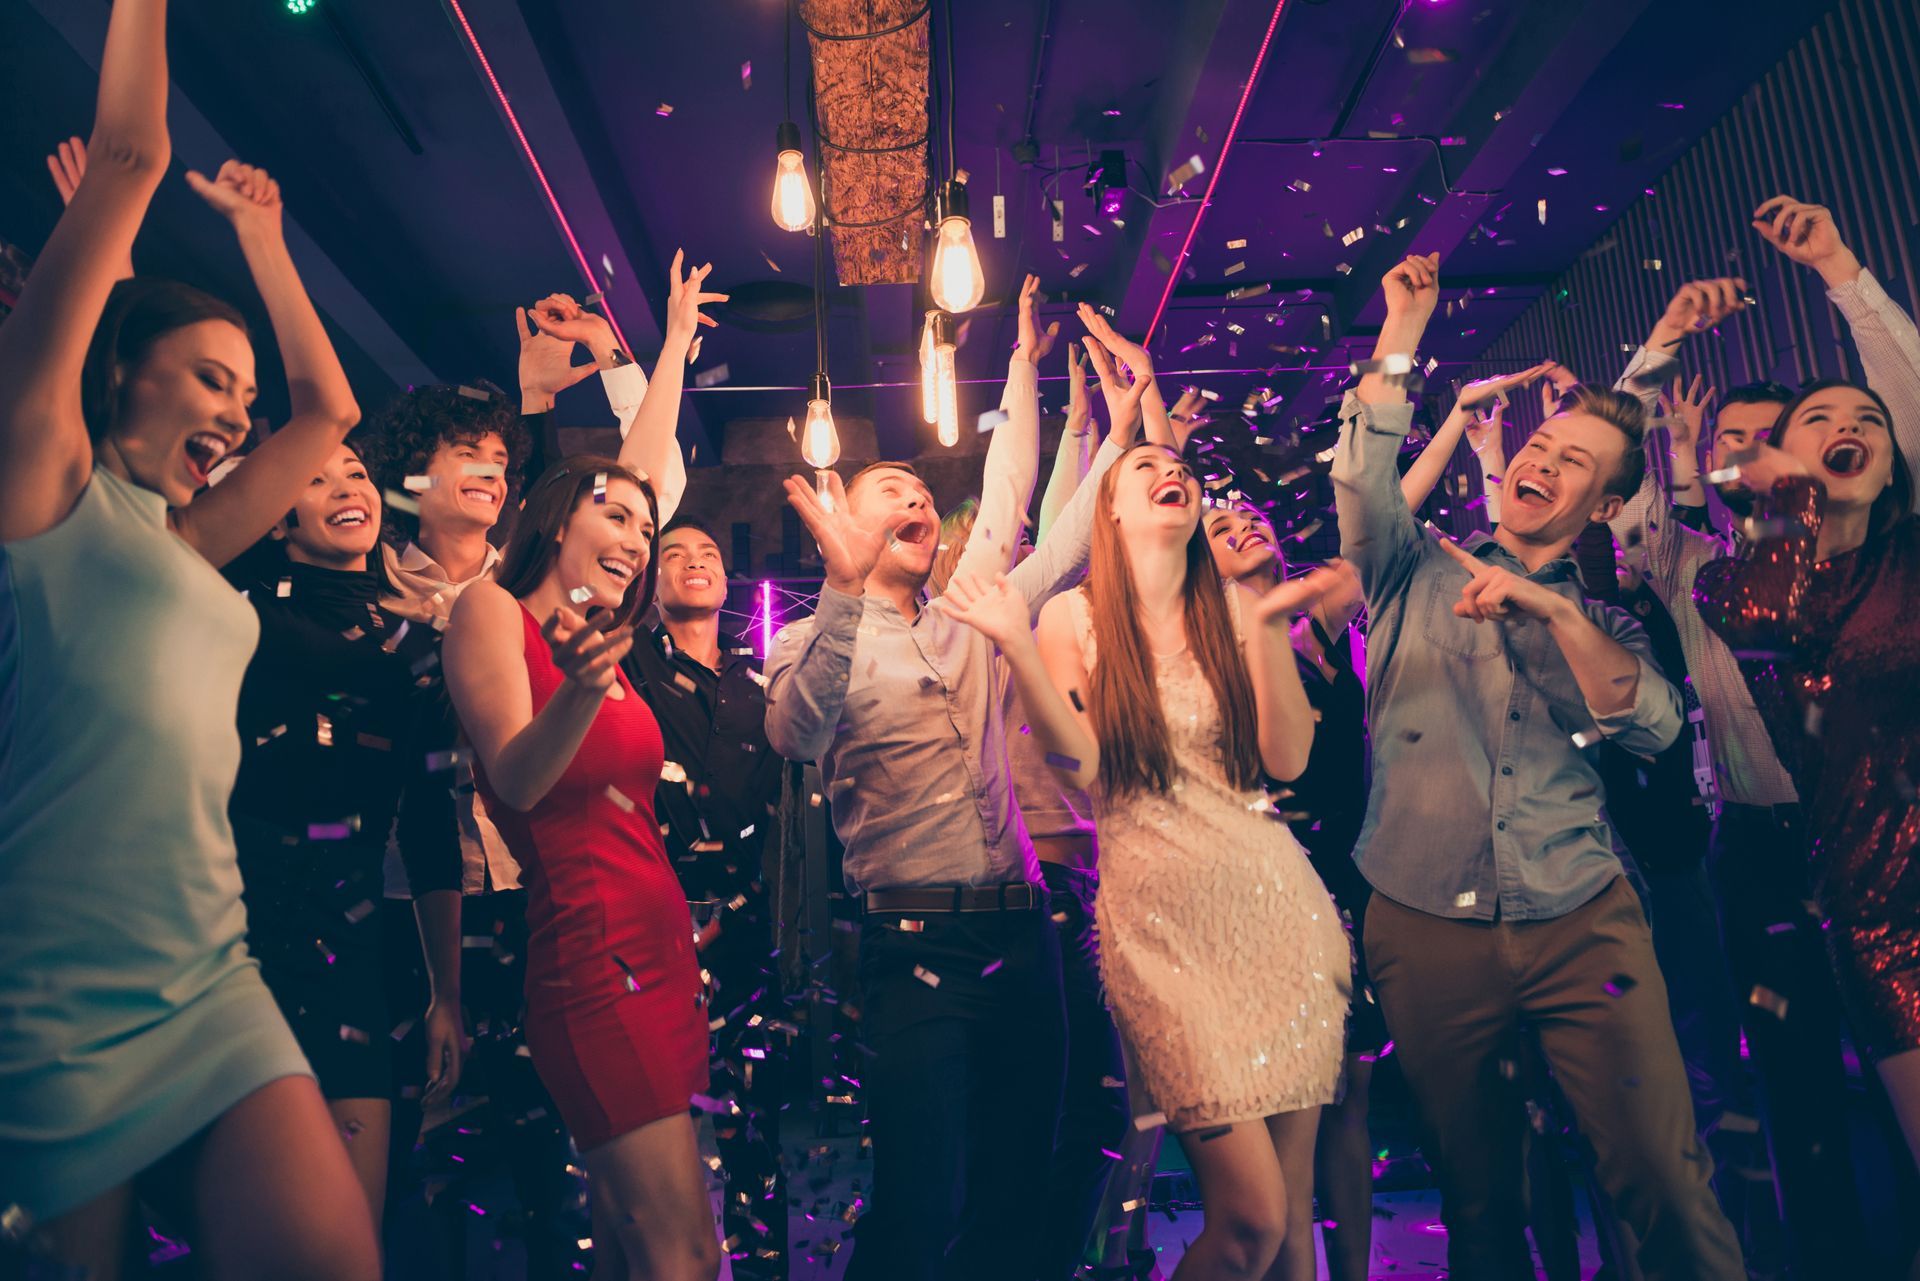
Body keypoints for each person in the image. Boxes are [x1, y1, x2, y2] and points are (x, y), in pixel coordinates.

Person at [0, 2, 375, 1274]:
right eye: (211, 378)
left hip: (211, 973)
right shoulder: (42, 487)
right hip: (47, 976)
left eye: (240, 392)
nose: (235, 411)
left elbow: (328, 411)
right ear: (119, 371)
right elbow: (130, 152)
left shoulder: (189, 538)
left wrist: (266, 242)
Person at [1333, 253, 1743, 1278]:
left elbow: (1651, 724)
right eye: (1541, 445)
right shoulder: (1407, 567)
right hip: (1423, 917)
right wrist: (1402, 331)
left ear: (1603, 507)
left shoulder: (1609, 620)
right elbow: (1361, 479)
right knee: (1480, 1201)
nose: (1545, 463)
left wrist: (1550, 610)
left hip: (1580, 917)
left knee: (1664, 1182)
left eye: (1576, 464)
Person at [764, 292, 1144, 1281]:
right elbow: (794, 734)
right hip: (912, 945)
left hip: (1024, 934)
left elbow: (1019, 499)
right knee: (921, 1195)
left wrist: (1070, 399)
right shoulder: (807, 636)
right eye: (891, 488)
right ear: (842, 520)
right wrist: (842, 592)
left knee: (1019, 1185)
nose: (918, 501)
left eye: (923, 493)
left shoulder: (972, 614)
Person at [942, 433, 1350, 1281]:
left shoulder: (1234, 609)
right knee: (1249, 1222)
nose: (1173, 473)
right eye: (1147, 467)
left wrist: (1267, 622)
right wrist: (1017, 644)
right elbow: (1082, 767)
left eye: (1183, 468)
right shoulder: (1073, 616)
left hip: (1282, 919)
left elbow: (1287, 759)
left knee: (1291, 1220)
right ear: (1112, 508)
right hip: (1163, 935)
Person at [1607, 210, 1920, 1267]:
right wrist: (1660, 347)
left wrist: (1841, 271)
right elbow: (1609, 477)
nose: (1747, 454)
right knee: (1795, 1078)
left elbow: (1903, 415)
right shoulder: (1703, 569)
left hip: (1880, 834)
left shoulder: (1893, 550)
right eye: (1730, 443)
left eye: (1762, 437)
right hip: (1766, 843)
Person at [443, 457, 716, 1281]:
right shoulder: (492, 609)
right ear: (558, 519)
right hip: (596, 962)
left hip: (663, 963)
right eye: (618, 516)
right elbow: (517, 780)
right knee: (686, 1256)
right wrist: (583, 687)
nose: (637, 540)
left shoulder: (599, 647)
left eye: (647, 527)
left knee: (629, 1255)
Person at [928, 320, 1135, 1281]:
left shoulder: (1038, 608)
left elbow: (1056, 520)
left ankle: (1058, 1252)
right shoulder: (964, 629)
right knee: (1063, 1102)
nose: (987, 551)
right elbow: (1041, 514)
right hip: (1030, 872)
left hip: (1085, 869)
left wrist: (1088, 418)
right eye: (970, 544)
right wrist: (1073, 415)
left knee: (1088, 1101)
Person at [224, 439, 467, 1233]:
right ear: (274, 515)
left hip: (355, 941)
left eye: (355, 473)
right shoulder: (236, 613)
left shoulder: (420, 647)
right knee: (258, 1225)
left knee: (357, 1229)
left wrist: (446, 994)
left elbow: (429, 822)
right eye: (313, 477)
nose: (343, 487)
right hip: (232, 929)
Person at [1696, 381, 1920, 1183]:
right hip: (1883, 908)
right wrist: (1792, 493)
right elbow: (1768, 623)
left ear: (1891, 467)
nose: (1848, 426)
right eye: (1818, 419)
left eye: (1869, 421)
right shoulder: (1727, 584)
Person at [621, 514, 790, 1279]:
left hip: (746, 930)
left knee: (755, 1130)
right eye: (675, 553)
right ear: (649, 580)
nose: (695, 561)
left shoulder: (761, 682)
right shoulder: (629, 665)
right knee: (651, 1129)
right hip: (647, 924)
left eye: (710, 553)